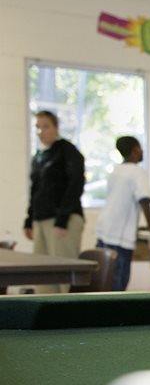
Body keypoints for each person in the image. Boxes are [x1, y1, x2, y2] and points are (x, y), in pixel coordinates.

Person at [23, 111, 86, 293]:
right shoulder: (39, 157)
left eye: (45, 126)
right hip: (40, 219)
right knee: (42, 274)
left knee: (63, 274)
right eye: (37, 127)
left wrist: (62, 219)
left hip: (62, 221)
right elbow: (35, 190)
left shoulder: (67, 151)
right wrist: (29, 220)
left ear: (56, 128)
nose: (41, 131)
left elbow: (76, 184)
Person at [94, 136, 150, 291]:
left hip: (103, 229)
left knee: (103, 281)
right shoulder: (137, 172)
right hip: (119, 237)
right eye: (140, 148)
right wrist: (149, 226)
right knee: (117, 283)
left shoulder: (115, 170)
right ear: (135, 150)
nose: (142, 151)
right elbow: (144, 199)